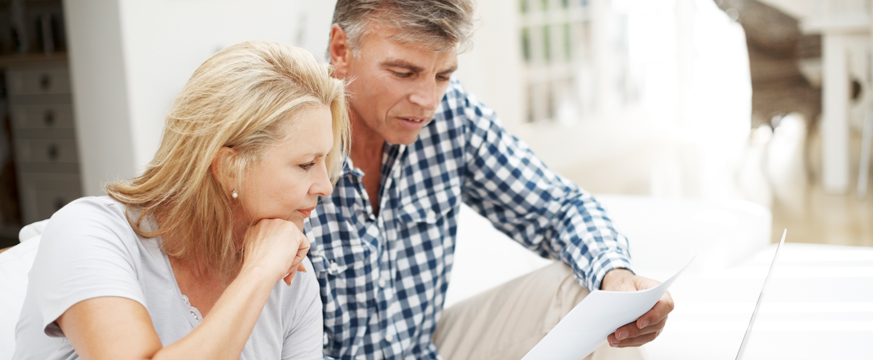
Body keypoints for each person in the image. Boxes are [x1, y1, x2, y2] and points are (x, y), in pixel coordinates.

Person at [304, 1, 676, 359]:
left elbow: (560, 209)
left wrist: (617, 276)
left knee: (593, 294)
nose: (428, 100)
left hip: (424, 349)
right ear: (341, 49)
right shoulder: (287, 140)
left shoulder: (452, 117)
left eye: (443, 75)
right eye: (404, 72)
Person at [13, 41, 350, 360]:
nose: (324, 186)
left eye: (324, 163)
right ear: (230, 168)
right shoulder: (88, 234)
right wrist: (258, 273)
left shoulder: (290, 277)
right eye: (306, 164)